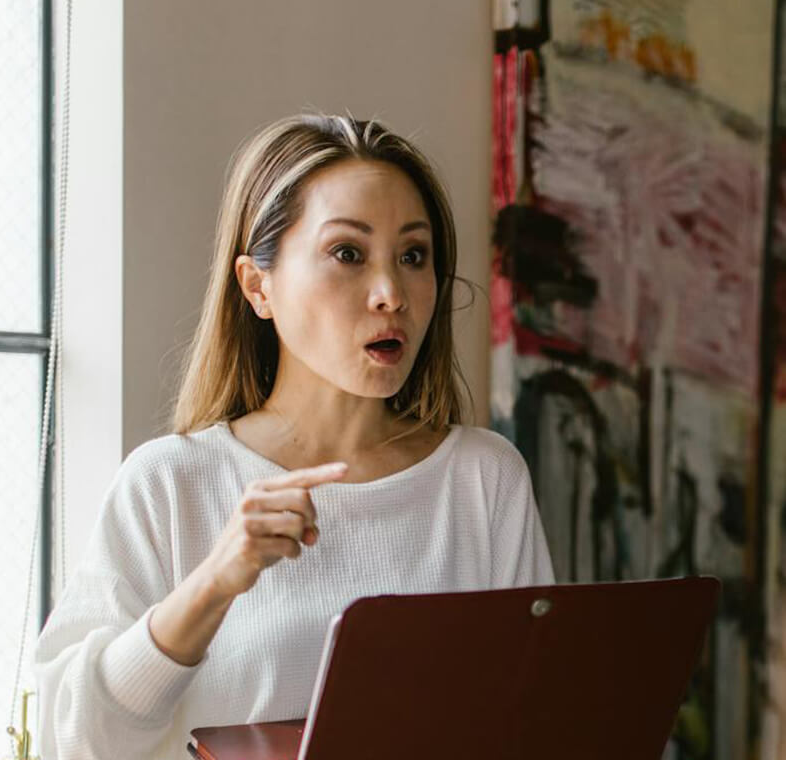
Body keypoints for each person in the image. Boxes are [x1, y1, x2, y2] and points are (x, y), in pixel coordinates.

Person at [34, 112, 555, 760]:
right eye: (347, 253)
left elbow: (532, 725)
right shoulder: (169, 482)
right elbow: (74, 742)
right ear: (259, 286)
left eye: (413, 256)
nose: (392, 293)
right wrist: (218, 579)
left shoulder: (485, 478)